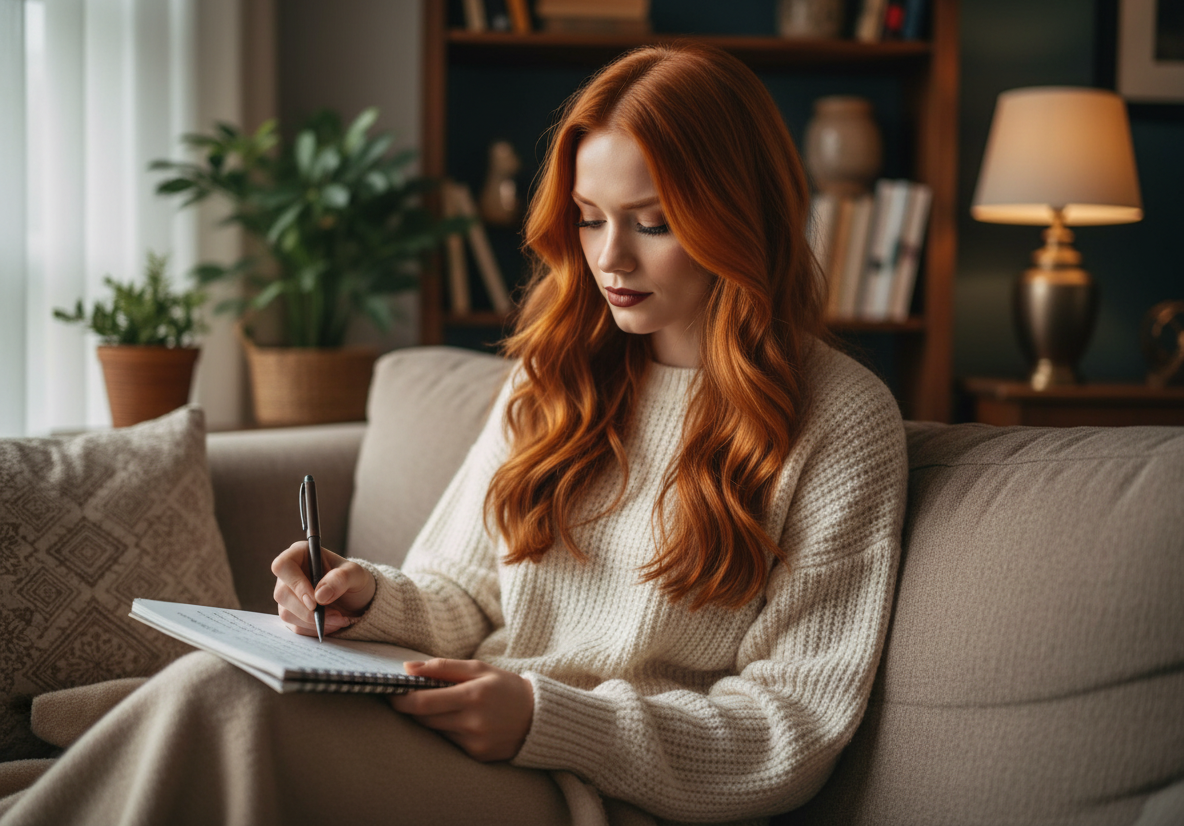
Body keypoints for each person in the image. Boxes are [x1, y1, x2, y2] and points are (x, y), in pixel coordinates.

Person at [0, 42, 907, 826]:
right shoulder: (555, 376)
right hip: (473, 733)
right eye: (589, 220)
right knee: (222, 690)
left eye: (654, 224)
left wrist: (549, 720)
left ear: (737, 219)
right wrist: (368, 602)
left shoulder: (838, 420)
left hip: (602, 791)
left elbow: (792, 728)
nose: (610, 260)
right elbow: (462, 596)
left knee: (221, 711)